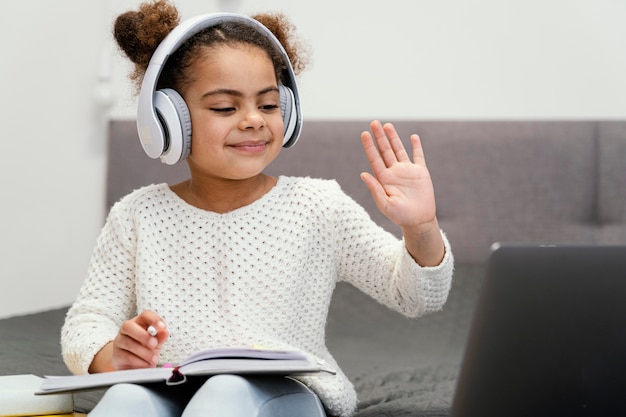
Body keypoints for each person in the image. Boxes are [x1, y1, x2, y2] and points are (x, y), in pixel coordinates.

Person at [61, 1, 454, 416]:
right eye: (225, 108)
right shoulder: (137, 215)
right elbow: (87, 322)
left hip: (284, 393)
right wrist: (114, 356)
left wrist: (421, 227)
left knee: (226, 393)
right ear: (169, 119)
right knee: (126, 399)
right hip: (170, 388)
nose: (253, 120)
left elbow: (414, 296)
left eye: (268, 105)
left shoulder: (318, 206)